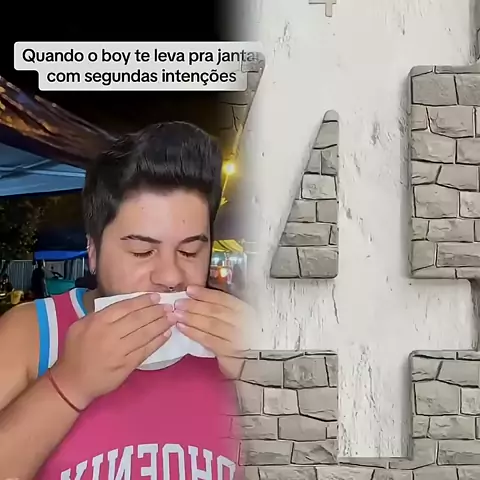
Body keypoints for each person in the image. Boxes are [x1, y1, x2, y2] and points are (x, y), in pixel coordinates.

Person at [0, 122, 248, 479]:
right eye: (142, 251)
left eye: (190, 251)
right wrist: (67, 384)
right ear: (93, 251)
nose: (171, 276)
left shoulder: (245, 340)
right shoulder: (31, 335)